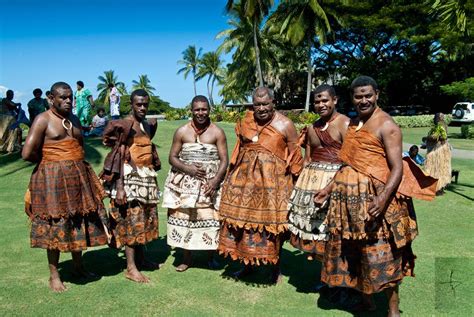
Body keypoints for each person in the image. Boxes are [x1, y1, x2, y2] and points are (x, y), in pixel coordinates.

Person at [319, 76, 437, 316]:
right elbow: (346, 164)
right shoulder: (353, 125)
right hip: (349, 208)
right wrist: (328, 189)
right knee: (356, 253)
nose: (363, 100)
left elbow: (398, 168)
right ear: (352, 98)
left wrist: (382, 199)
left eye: (367, 95)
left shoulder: (387, 126)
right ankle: (367, 301)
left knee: (383, 256)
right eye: (358, 96)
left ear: (377, 95)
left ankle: (393, 310)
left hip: (377, 204)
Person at [21, 82, 109, 292]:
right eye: (63, 97)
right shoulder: (43, 120)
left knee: (78, 220)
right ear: (51, 98)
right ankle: (54, 276)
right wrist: (50, 164)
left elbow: (80, 147)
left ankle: (78, 267)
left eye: (70, 97)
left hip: (78, 178)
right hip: (52, 180)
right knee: (56, 223)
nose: (68, 101)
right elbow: (27, 153)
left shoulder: (75, 119)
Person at [217, 87, 303, 283]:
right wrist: (231, 177)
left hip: (275, 185)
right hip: (245, 182)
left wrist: (296, 184)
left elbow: (295, 157)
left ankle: (275, 269)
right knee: (244, 225)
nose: (261, 108)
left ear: (274, 103)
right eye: (257, 104)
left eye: (265, 104)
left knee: (274, 227)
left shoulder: (286, 124)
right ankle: (247, 264)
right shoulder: (245, 121)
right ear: (252, 104)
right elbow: (238, 151)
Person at [287, 85, 349, 277]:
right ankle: (328, 278)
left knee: (334, 234)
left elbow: (350, 161)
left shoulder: (344, 124)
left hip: (336, 183)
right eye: (317, 101)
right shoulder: (312, 128)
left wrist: (331, 187)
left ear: (335, 100)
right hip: (311, 185)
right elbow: (308, 158)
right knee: (318, 237)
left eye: (325, 100)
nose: (321, 104)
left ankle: (341, 280)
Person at [101, 89, 161, 283]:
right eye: (138, 104)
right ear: (131, 105)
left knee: (144, 219)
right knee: (131, 222)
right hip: (129, 178)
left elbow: (148, 147)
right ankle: (131, 267)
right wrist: (120, 188)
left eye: (145, 104)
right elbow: (119, 155)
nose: (142, 107)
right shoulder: (126, 126)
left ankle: (141, 259)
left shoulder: (148, 124)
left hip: (146, 176)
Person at [162, 95, 228, 272]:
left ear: (209, 110)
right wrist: (187, 168)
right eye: (197, 109)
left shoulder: (217, 132)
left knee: (210, 219)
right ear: (191, 110)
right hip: (185, 183)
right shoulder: (182, 132)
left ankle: (210, 257)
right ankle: (186, 258)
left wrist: (215, 181)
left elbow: (224, 161)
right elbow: (172, 158)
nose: (201, 113)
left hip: (209, 184)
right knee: (185, 218)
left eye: (204, 109)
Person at [424, 113, 451, 194]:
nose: (433, 120)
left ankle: (437, 189)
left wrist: (426, 138)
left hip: (437, 152)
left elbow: (437, 137)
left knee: (436, 170)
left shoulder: (440, 126)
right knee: (442, 170)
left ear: (438, 118)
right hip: (443, 150)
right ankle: (440, 188)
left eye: (434, 118)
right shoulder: (443, 125)